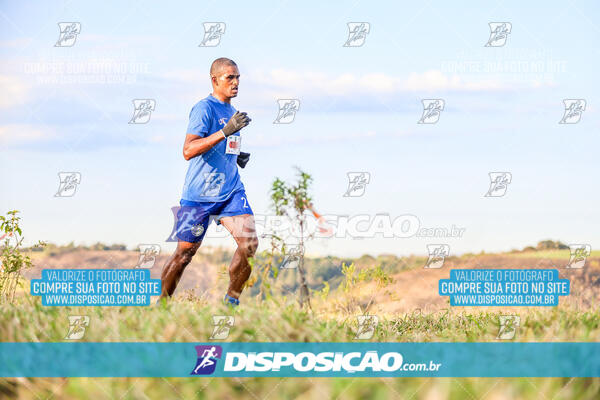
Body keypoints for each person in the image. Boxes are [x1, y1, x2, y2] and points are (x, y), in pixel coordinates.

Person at [158, 57, 258, 306]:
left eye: (238, 78)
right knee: (184, 254)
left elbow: (221, 146)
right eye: (230, 78)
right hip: (199, 195)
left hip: (230, 192)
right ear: (215, 80)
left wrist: (235, 156)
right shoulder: (204, 108)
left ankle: (230, 305)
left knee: (249, 243)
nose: (235, 83)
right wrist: (225, 132)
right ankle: (161, 306)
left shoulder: (232, 112)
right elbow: (189, 150)